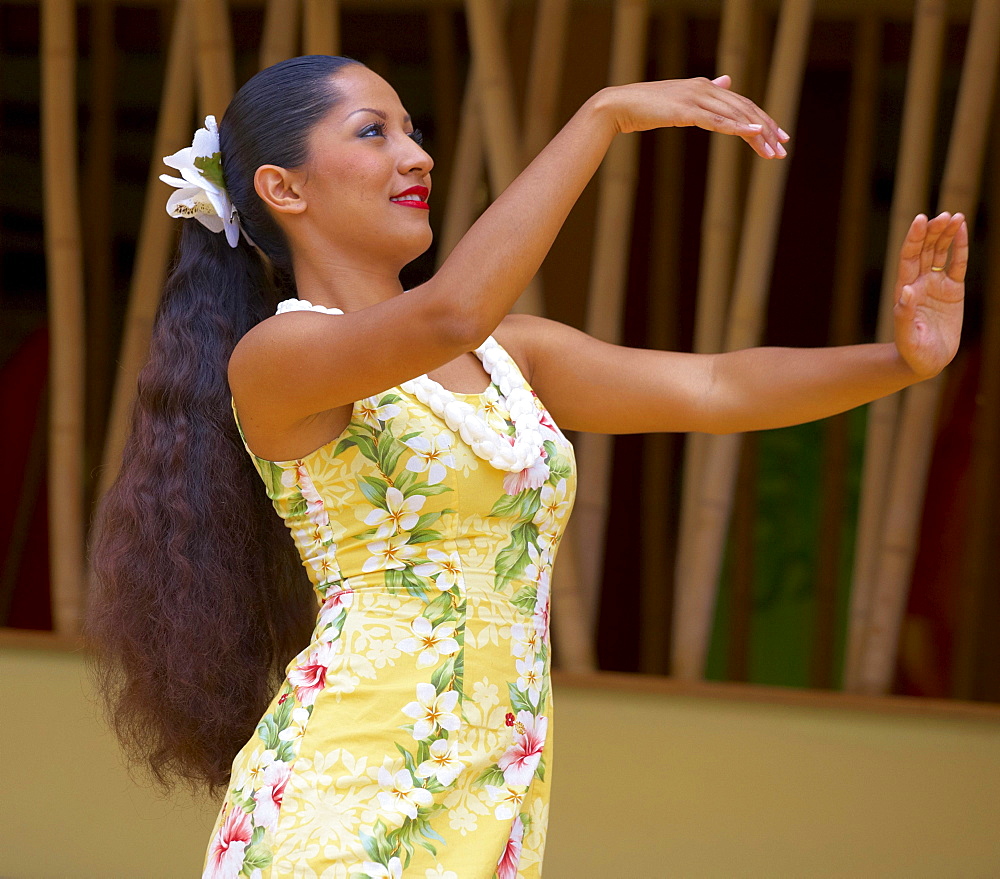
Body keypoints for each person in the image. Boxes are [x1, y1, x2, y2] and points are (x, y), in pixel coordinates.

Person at [84, 54, 966, 879]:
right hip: (346, 792)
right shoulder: (279, 355)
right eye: (372, 133)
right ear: (283, 188)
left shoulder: (512, 358)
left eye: (412, 130)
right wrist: (604, 116)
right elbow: (449, 315)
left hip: (494, 788)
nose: (414, 155)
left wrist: (901, 362)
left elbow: (715, 385)